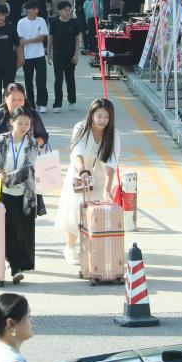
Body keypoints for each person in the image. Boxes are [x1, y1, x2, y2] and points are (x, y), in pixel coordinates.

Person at [57, 98, 121, 265]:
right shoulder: (81, 128)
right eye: (99, 116)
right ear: (92, 114)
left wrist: (107, 188)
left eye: (106, 117)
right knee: (76, 212)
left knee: (96, 215)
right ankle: (70, 248)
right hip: (80, 176)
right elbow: (77, 152)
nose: (102, 121)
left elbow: (112, 162)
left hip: (99, 178)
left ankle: (93, 248)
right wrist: (82, 171)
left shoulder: (114, 134)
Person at [0, 107, 41, 283]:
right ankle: (15, 268)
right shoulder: (2, 140)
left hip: (25, 194)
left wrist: (7, 178)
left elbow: (29, 169)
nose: (23, 127)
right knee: (10, 231)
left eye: (27, 124)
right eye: (20, 123)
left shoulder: (32, 143)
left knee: (23, 231)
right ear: (11, 122)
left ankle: (17, 264)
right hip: (3, 194)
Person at [0, 84, 49, 160]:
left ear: (24, 99)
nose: (17, 103)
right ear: (6, 99)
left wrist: (27, 143)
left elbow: (43, 137)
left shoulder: (32, 115)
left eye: (20, 99)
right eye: (13, 100)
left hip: (25, 159)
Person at [48, 1, 82, 111]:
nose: (68, 12)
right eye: (65, 10)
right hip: (57, 55)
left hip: (70, 56)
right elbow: (50, 39)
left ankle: (72, 101)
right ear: (59, 11)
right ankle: (57, 104)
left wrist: (76, 55)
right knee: (58, 80)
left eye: (69, 9)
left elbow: (77, 39)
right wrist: (49, 54)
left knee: (70, 79)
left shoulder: (74, 23)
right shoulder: (54, 23)